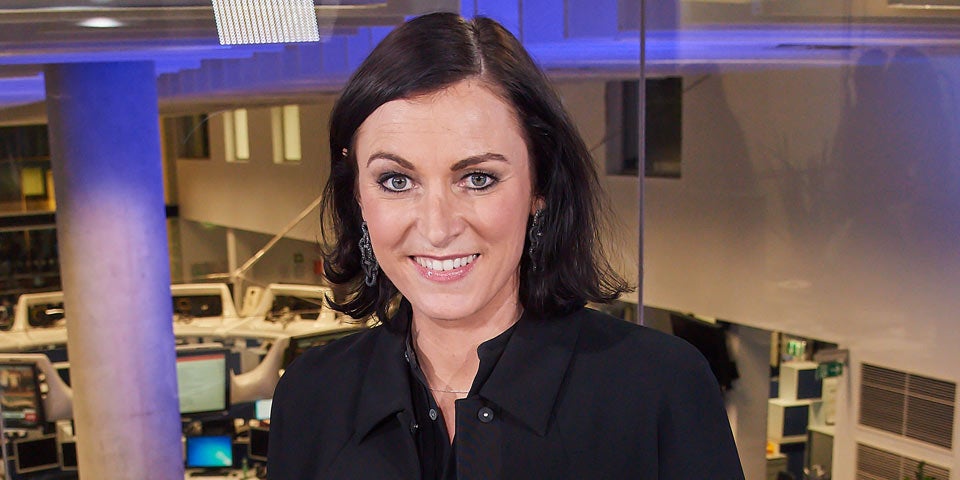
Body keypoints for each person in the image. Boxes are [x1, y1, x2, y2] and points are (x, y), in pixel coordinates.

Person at [268, 12, 744, 480]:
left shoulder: (660, 388)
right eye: (396, 180)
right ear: (357, 195)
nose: (437, 227)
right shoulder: (312, 394)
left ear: (540, 187)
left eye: (478, 178)